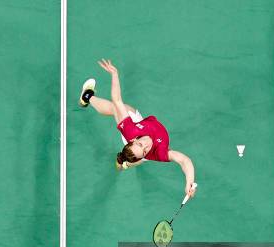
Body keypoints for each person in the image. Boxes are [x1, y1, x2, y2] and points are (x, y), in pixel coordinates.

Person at [79, 59, 196, 198]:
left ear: (134, 140)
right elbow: (184, 160)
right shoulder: (159, 152)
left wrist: (114, 74)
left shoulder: (130, 130)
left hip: (138, 126)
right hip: (143, 143)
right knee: (116, 110)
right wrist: (190, 182)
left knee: (116, 107)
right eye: (145, 149)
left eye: (141, 144)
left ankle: (87, 97)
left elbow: (117, 100)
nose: (146, 144)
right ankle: (87, 97)